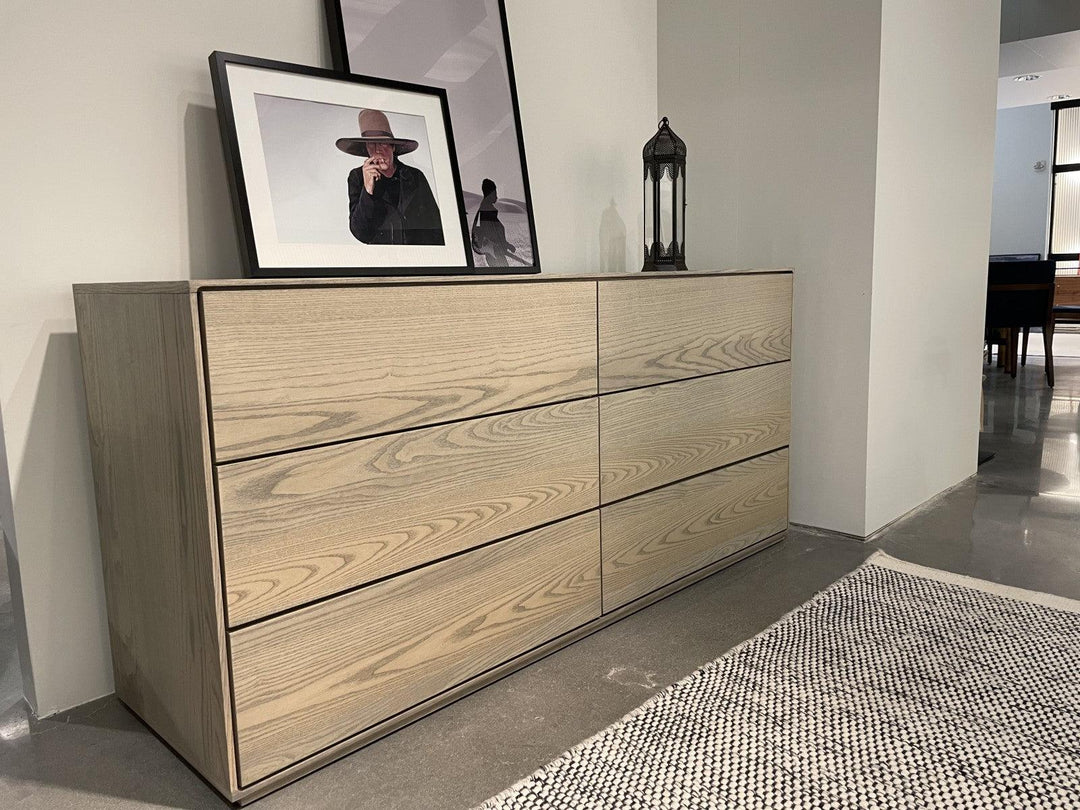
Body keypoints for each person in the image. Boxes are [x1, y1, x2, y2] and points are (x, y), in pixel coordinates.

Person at [336, 109, 443, 245]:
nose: (378, 150)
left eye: (383, 143)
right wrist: (367, 190)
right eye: (371, 144)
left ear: (393, 147)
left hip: (418, 255)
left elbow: (435, 227)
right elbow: (360, 234)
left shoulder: (415, 176)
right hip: (384, 256)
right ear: (367, 149)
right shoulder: (357, 177)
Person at [471, 178, 517, 266]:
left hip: (495, 252)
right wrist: (498, 246)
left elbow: (494, 232)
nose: (496, 197)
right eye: (495, 193)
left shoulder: (486, 210)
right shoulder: (486, 211)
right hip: (494, 254)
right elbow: (489, 234)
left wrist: (505, 245)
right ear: (489, 194)